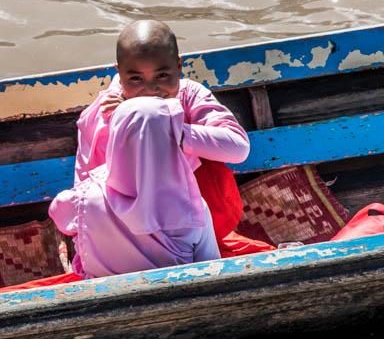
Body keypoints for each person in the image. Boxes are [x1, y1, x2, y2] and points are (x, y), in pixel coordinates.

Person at [75, 20, 273, 257]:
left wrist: (171, 130)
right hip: (124, 230)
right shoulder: (104, 112)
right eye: (136, 79)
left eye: (162, 75)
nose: (151, 90)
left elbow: (238, 148)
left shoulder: (189, 94)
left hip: (191, 212)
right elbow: (89, 186)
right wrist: (131, 123)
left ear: (178, 66)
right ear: (119, 72)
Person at [53, 98, 220, 278]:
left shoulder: (81, 198)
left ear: (116, 138)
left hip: (105, 302)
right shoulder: (192, 207)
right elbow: (213, 269)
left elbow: (59, 213)